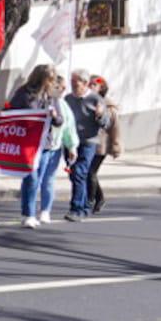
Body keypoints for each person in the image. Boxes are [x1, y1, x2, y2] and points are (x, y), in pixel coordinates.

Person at [9, 65, 75, 229]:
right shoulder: (23, 93)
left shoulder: (51, 97)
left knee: (38, 179)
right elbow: (11, 112)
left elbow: (60, 120)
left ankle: (30, 212)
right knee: (31, 178)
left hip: (45, 143)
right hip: (27, 143)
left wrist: (54, 116)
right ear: (41, 78)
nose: (52, 84)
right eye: (50, 80)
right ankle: (29, 214)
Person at [64, 72, 106, 221]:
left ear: (85, 83)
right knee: (74, 175)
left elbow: (105, 123)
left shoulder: (96, 99)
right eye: (72, 83)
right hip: (71, 142)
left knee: (79, 173)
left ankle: (76, 209)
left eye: (76, 84)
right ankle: (84, 207)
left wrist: (99, 115)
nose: (73, 86)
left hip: (89, 141)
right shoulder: (68, 99)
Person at [89, 77, 122, 212]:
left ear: (101, 88)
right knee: (86, 172)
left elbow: (115, 128)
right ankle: (99, 198)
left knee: (90, 172)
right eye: (89, 84)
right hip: (87, 143)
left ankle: (90, 200)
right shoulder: (87, 101)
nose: (90, 86)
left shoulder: (108, 106)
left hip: (101, 145)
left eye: (93, 84)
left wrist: (116, 145)